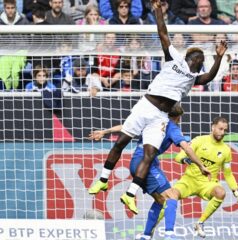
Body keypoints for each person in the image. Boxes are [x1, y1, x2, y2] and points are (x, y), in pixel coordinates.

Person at [88, 0, 227, 216]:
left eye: (202, 59)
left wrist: (218, 57)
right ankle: (103, 179)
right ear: (190, 56)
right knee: (121, 143)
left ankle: (130, 194)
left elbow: (210, 76)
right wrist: (157, 10)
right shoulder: (174, 59)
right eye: (198, 56)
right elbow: (163, 33)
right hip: (145, 105)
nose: (200, 58)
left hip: (160, 117)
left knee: (150, 153)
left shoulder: (193, 78)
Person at [89, 104, 210, 240]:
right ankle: (169, 234)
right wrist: (200, 165)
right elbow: (186, 148)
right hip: (147, 164)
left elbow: (126, 127)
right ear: (179, 117)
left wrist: (105, 132)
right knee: (171, 196)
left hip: (135, 163)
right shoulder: (173, 128)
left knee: (160, 200)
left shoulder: (153, 120)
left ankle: (146, 235)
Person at [138, 117, 238, 239]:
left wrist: (237, 193)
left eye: (225, 130)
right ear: (213, 127)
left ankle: (200, 223)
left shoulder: (226, 150)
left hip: (207, 184)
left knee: (220, 192)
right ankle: (149, 231)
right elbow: (178, 157)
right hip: (189, 180)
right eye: (220, 129)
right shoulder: (199, 140)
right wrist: (186, 159)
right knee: (169, 196)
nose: (222, 132)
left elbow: (228, 174)